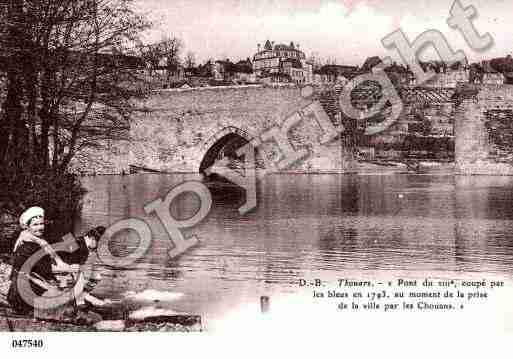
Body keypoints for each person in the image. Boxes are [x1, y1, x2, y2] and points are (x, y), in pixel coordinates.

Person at [7, 207, 72, 314]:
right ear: (27, 227)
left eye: (41, 224)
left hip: (25, 290)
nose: (40, 227)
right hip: (23, 295)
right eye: (35, 224)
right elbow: (42, 272)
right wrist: (65, 270)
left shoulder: (36, 242)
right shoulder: (29, 247)